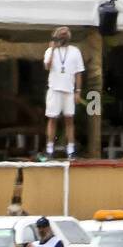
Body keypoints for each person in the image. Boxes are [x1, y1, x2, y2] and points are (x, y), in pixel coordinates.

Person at [43, 26, 83, 159]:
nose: (64, 36)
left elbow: (78, 73)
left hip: (69, 91)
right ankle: (49, 149)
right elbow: (47, 66)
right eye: (62, 34)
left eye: (66, 34)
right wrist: (53, 49)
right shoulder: (50, 50)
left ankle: (70, 149)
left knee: (69, 120)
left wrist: (78, 91)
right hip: (54, 89)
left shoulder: (75, 51)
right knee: (52, 119)